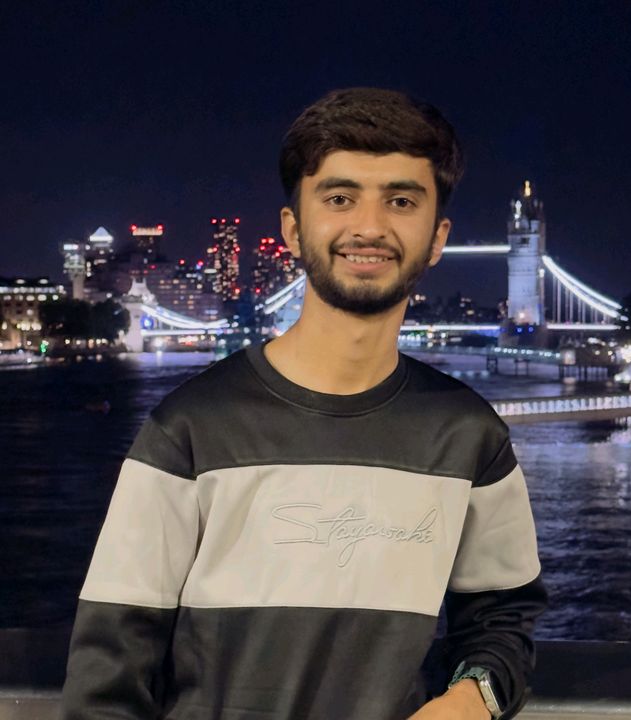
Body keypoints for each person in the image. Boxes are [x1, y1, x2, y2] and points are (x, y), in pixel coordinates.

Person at [61, 87, 547, 720]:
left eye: (401, 201)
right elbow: (107, 680)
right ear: (293, 229)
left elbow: (504, 623)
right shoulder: (187, 430)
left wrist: (466, 702)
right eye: (340, 198)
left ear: (437, 238)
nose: (369, 227)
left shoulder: (471, 437)